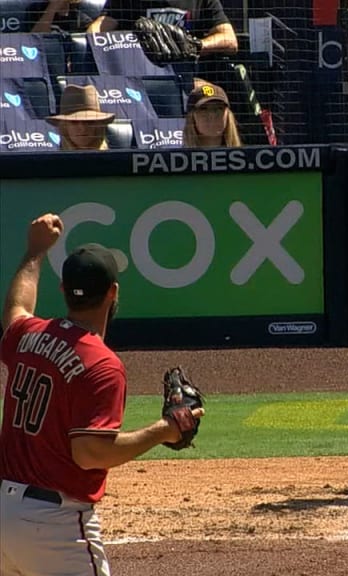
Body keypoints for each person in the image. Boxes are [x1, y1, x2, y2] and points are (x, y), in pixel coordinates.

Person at [0, 215, 204, 575]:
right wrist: (165, 430)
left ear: (63, 291)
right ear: (113, 292)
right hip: (54, 526)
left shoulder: (28, 335)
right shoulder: (102, 364)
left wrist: (34, 252)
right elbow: (91, 453)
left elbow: (16, 310)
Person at [86, 0, 238, 56]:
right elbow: (96, 30)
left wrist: (195, 46)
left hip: (188, 77)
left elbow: (229, 39)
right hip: (141, 75)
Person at [46, 84, 116, 151]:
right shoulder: (51, 162)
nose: (82, 128)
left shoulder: (117, 162)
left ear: (98, 126)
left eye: (89, 122)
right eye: (74, 122)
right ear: (64, 127)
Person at [184, 82, 243, 147]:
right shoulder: (177, 156)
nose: (212, 114)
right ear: (192, 117)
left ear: (228, 115)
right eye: (204, 108)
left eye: (219, 108)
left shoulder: (247, 155)